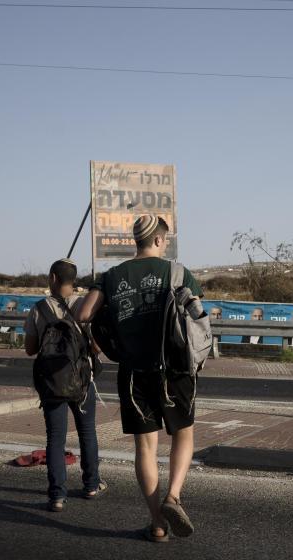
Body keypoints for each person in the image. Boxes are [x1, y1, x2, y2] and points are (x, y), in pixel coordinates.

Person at [77, 214, 202, 543]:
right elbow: (197, 318)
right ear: (160, 240)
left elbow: (84, 314)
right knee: (183, 435)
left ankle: (158, 523)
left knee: (146, 448)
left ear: (137, 241)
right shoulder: (177, 272)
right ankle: (173, 496)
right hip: (175, 370)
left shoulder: (112, 275)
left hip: (133, 374)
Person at [24, 259, 105, 513]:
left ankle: (57, 496)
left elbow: (30, 349)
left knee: (55, 439)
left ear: (53, 278)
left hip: (52, 385)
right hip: (82, 383)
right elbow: (98, 346)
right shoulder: (84, 306)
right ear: (74, 280)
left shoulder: (39, 308)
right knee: (87, 433)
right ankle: (91, 485)